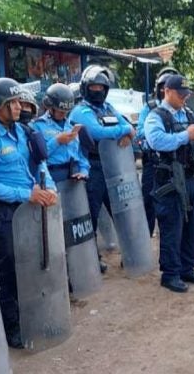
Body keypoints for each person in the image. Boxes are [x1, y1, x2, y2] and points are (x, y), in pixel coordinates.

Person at [0, 77, 57, 348]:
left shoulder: (24, 133)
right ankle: (13, 329)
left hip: (30, 210)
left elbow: (40, 164)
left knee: (33, 267)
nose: (20, 107)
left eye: (19, 101)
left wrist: (50, 187)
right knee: (9, 273)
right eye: (13, 103)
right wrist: (26, 194)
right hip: (4, 215)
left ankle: (35, 318)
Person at [145, 74, 194, 293]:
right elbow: (156, 141)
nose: (184, 98)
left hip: (190, 178)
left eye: (186, 94)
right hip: (169, 181)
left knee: (191, 225)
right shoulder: (156, 116)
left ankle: (187, 268)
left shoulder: (189, 113)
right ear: (167, 91)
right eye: (180, 94)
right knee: (172, 226)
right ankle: (170, 274)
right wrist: (186, 135)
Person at [69, 65, 135, 273]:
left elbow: (130, 125)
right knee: (91, 216)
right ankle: (91, 259)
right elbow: (96, 132)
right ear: (85, 88)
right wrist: (124, 130)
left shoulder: (108, 108)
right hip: (92, 166)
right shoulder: (81, 110)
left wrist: (126, 129)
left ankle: (131, 254)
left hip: (114, 165)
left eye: (101, 87)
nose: (97, 90)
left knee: (122, 211)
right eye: (93, 86)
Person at [136, 68, 180, 237]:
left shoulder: (182, 109)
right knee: (148, 202)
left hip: (174, 165)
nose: (165, 90)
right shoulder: (150, 108)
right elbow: (141, 132)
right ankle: (144, 243)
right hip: (153, 162)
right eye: (162, 86)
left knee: (174, 204)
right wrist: (160, 137)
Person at [30, 83, 90, 183]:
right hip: (53, 175)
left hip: (74, 175)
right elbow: (37, 157)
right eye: (60, 111)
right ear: (50, 107)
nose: (64, 114)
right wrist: (57, 141)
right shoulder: (37, 126)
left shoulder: (72, 126)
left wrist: (84, 171)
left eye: (66, 111)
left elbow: (80, 155)